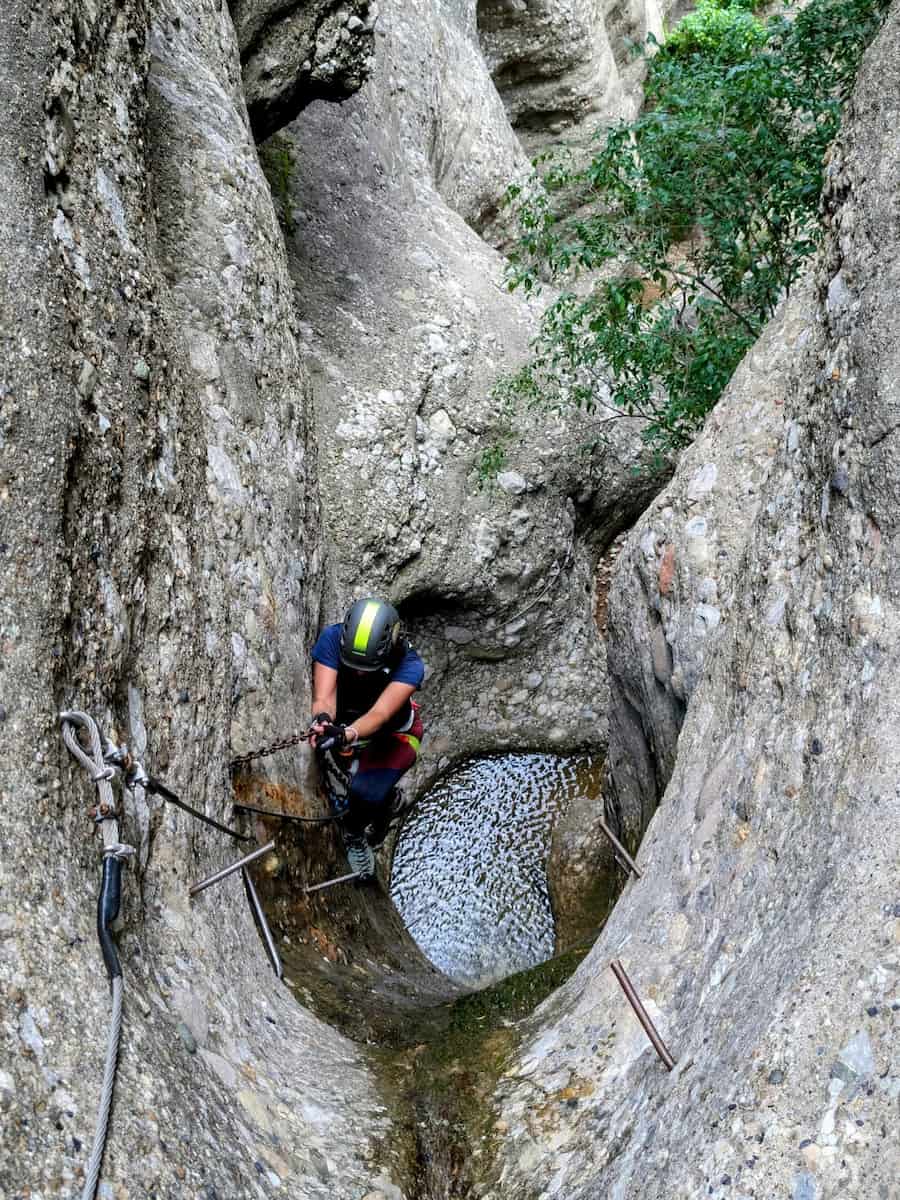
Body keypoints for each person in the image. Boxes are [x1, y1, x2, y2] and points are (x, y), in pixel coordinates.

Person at [308, 597, 425, 879]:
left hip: (394, 736)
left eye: (367, 667)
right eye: (355, 665)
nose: (360, 672)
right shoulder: (332, 639)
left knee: (364, 792)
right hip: (349, 727)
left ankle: (355, 834)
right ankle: (386, 802)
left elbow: (381, 715)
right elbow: (324, 696)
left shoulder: (410, 664)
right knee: (355, 778)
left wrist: (347, 734)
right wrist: (323, 721)